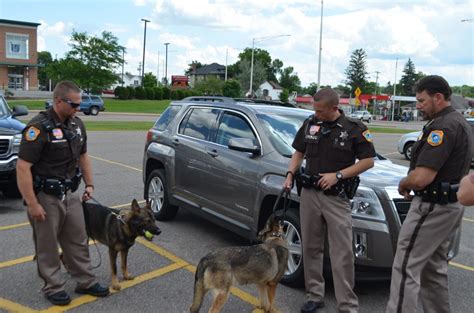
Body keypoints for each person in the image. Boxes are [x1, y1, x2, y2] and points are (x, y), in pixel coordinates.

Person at [16, 81, 109, 306]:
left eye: (80, 104)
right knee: (47, 245)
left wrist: (89, 185)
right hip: (46, 197)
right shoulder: (38, 128)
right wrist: (32, 203)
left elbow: (83, 156)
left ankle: (85, 281)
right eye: (74, 104)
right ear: (58, 101)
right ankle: (53, 286)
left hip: (71, 193)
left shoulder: (76, 125)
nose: (79, 108)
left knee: (77, 239)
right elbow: (23, 166)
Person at [284, 88, 375, 313]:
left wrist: (338, 175)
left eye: (321, 111)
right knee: (311, 247)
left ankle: (347, 305)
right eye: (314, 110)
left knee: (342, 253)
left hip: (336, 198)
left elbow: (368, 161)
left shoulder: (354, 129)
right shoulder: (310, 123)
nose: (317, 114)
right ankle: (315, 295)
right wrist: (290, 174)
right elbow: (298, 152)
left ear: (334, 108)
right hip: (309, 194)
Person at [385, 75, 472, 313]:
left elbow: (423, 177)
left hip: (433, 205)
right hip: (450, 203)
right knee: (433, 269)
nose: (418, 106)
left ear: (438, 97)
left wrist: (405, 182)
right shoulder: (458, 121)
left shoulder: (443, 127)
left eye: (422, 100)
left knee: (405, 266)